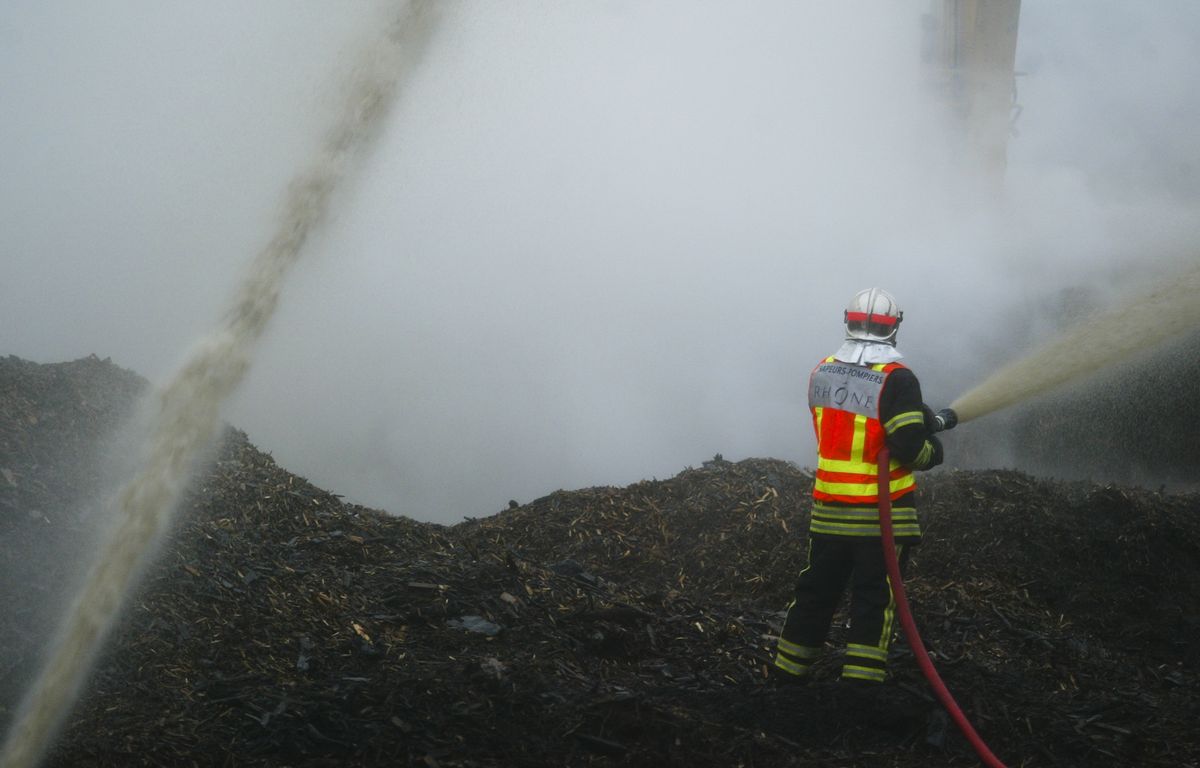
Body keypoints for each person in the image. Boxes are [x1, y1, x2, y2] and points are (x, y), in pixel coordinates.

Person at [772, 287, 952, 685]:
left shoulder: (822, 371)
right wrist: (932, 451)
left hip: (829, 512)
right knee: (874, 601)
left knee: (815, 594)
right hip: (880, 518)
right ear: (894, 326)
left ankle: (786, 676)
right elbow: (907, 447)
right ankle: (861, 689)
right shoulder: (898, 380)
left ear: (848, 321)